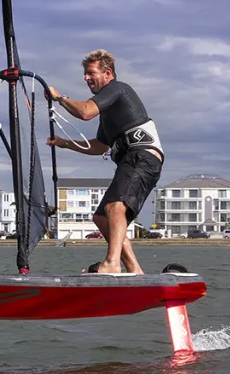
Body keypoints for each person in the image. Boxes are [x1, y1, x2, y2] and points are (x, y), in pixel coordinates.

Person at [46, 49, 163, 274]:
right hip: (131, 160)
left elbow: (86, 112)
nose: (86, 78)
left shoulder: (117, 89)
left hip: (142, 157)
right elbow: (100, 145)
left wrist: (59, 98)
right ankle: (134, 269)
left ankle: (111, 264)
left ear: (107, 73)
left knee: (114, 207)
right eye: (85, 74)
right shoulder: (109, 113)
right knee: (101, 217)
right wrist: (65, 143)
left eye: (91, 73)